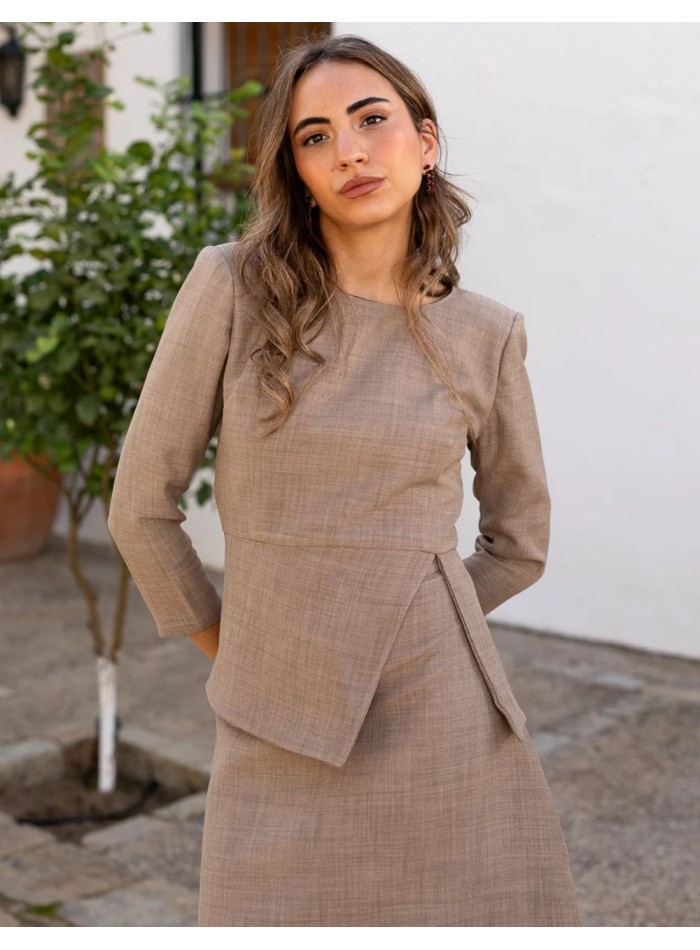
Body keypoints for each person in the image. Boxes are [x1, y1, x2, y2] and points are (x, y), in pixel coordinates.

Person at [107, 33, 581, 927]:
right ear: (296, 169)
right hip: (274, 703)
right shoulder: (233, 285)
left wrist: (414, 616)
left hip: (438, 707)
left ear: (426, 142)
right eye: (314, 136)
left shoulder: (487, 332)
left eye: (373, 120)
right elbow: (140, 507)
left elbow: (519, 544)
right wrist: (233, 643)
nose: (350, 151)